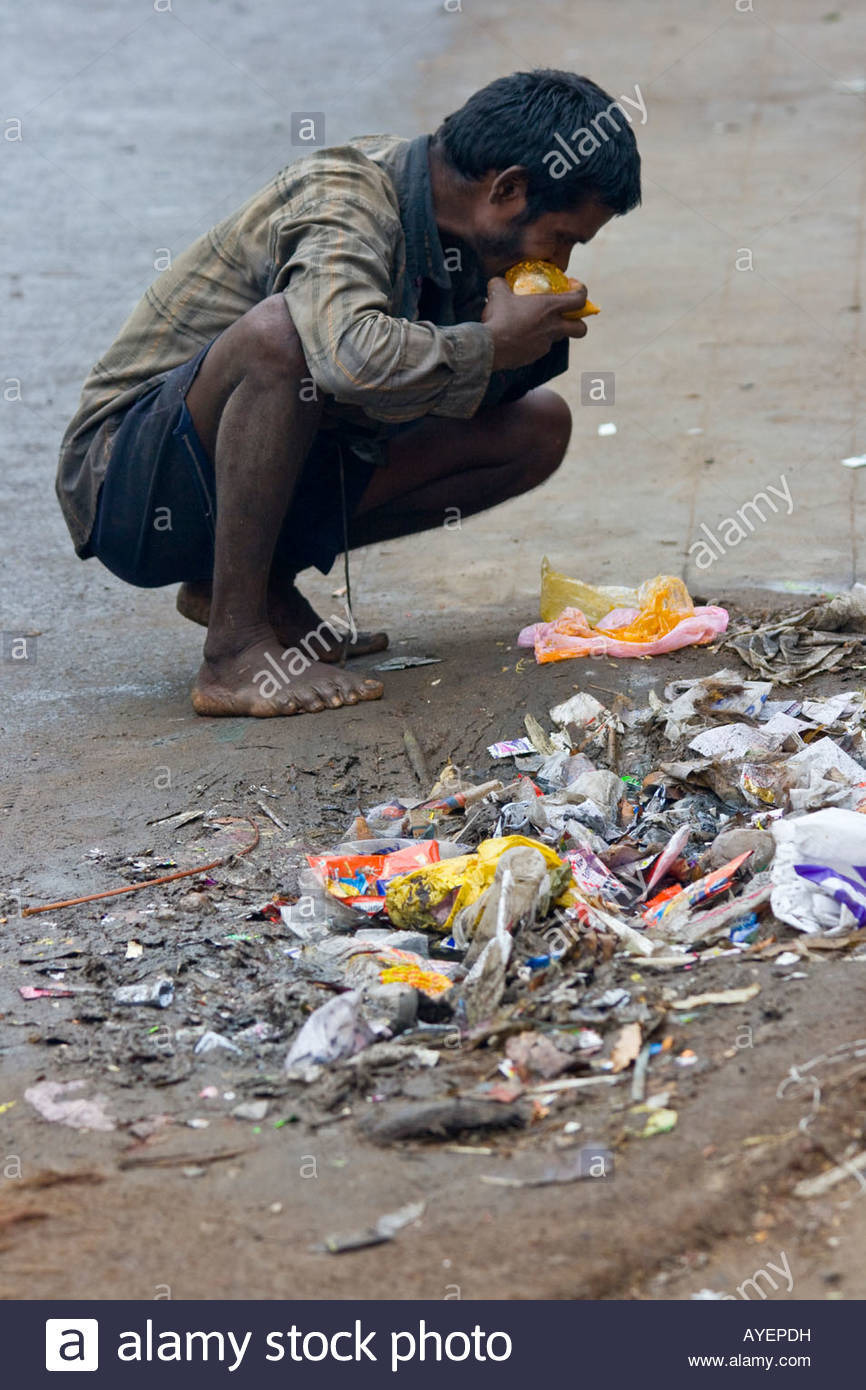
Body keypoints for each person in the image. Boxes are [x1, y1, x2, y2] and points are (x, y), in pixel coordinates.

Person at [56, 69, 641, 717]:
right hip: (129, 485)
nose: (562, 259)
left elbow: (427, 391)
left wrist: (523, 345)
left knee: (536, 427)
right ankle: (233, 650)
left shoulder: (459, 235)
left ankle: (254, 585)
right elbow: (344, 358)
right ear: (507, 190)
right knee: (282, 336)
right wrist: (488, 344)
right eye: (562, 237)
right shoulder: (347, 193)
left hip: (235, 476)